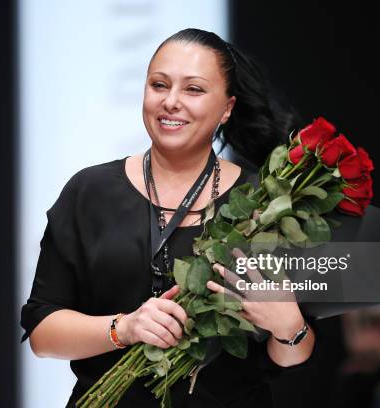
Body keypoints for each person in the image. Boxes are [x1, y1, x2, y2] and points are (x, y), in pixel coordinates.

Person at [20, 28, 320, 407]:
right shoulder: (89, 192)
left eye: (193, 89)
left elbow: (293, 354)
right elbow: (43, 334)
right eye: (159, 85)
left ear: (227, 107)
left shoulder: (262, 202)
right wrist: (124, 328)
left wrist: (288, 327)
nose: (171, 102)